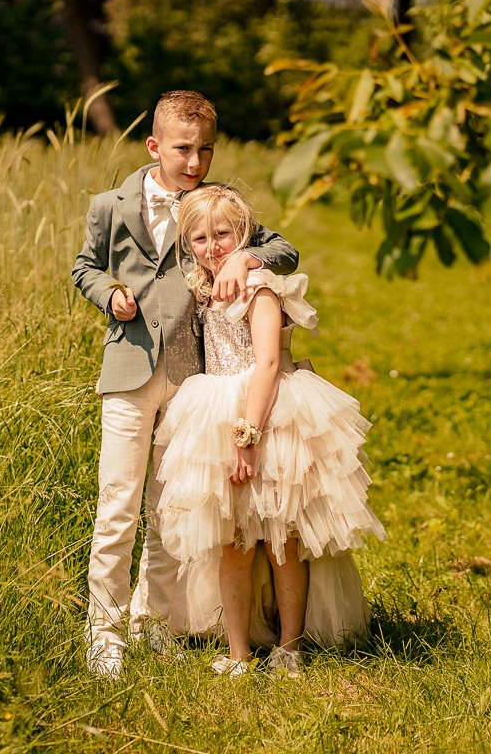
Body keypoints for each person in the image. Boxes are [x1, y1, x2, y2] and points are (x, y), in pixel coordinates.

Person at [71, 91, 299, 679]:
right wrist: (108, 295)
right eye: (182, 150)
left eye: (205, 151)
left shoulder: (213, 206)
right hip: (128, 370)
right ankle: (105, 632)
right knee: (117, 505)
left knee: (169, 509)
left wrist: (240, 259)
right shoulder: (112, 205)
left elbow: (282, 247)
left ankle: (159, 624)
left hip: (190, 378)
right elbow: (84, 267)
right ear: (153, 147)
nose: (195, 162)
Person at [154, 183, 386, 678]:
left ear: (244, 237)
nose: (212, 246)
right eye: (200, 238)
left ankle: (290, 647)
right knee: (233, 540)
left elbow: (267, 365)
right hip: (213, 412)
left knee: (280, 539)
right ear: (187, 244)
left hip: (266, 418)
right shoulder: (204, 291)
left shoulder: (260, 291)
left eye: (223, 235)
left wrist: (248, 436)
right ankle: (237, 651)